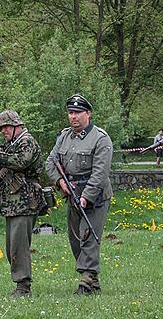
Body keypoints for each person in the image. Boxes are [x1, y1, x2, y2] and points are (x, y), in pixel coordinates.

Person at [45, 94, 113, 295]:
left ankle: (85, 282)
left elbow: (100, 173)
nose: (73, 117)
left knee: (89, 236)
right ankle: (93, 281)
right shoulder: (64, 137)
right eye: (70, 113)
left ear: (88, 114)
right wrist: (60, 182)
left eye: (77, 113)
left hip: (96, 195)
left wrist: (87, 196)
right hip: (71, 192)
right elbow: (50, 162)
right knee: (75, 240)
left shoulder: (100, 138)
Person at [0, 110, 46, 298]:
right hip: (13, 203)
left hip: (25, 202)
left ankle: (23, 286)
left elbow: (20, 162)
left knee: (19, 245)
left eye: (6, 127)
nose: (3, 131)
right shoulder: (12, 144)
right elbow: (3, 165)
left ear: (17, 125)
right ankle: (21, 283)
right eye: (1, 128)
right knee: (12, 246)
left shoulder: (27, 142)